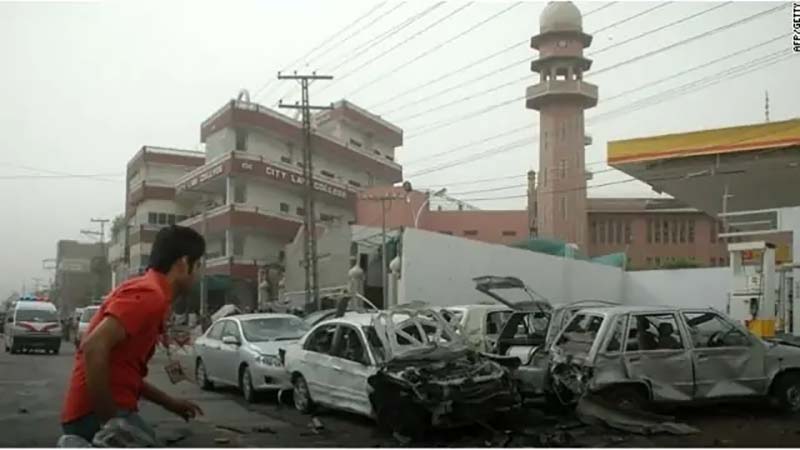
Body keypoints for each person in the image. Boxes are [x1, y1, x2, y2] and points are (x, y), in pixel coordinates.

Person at [61, 225, 206, 442]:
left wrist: (171, 404)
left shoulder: (148, 291)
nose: (200, 273)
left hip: (96, 411)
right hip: (93, 415)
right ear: (184, 264)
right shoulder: (149, 295)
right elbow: (93, 347)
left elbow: (125, 374)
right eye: (199, 265)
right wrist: (110, 424)